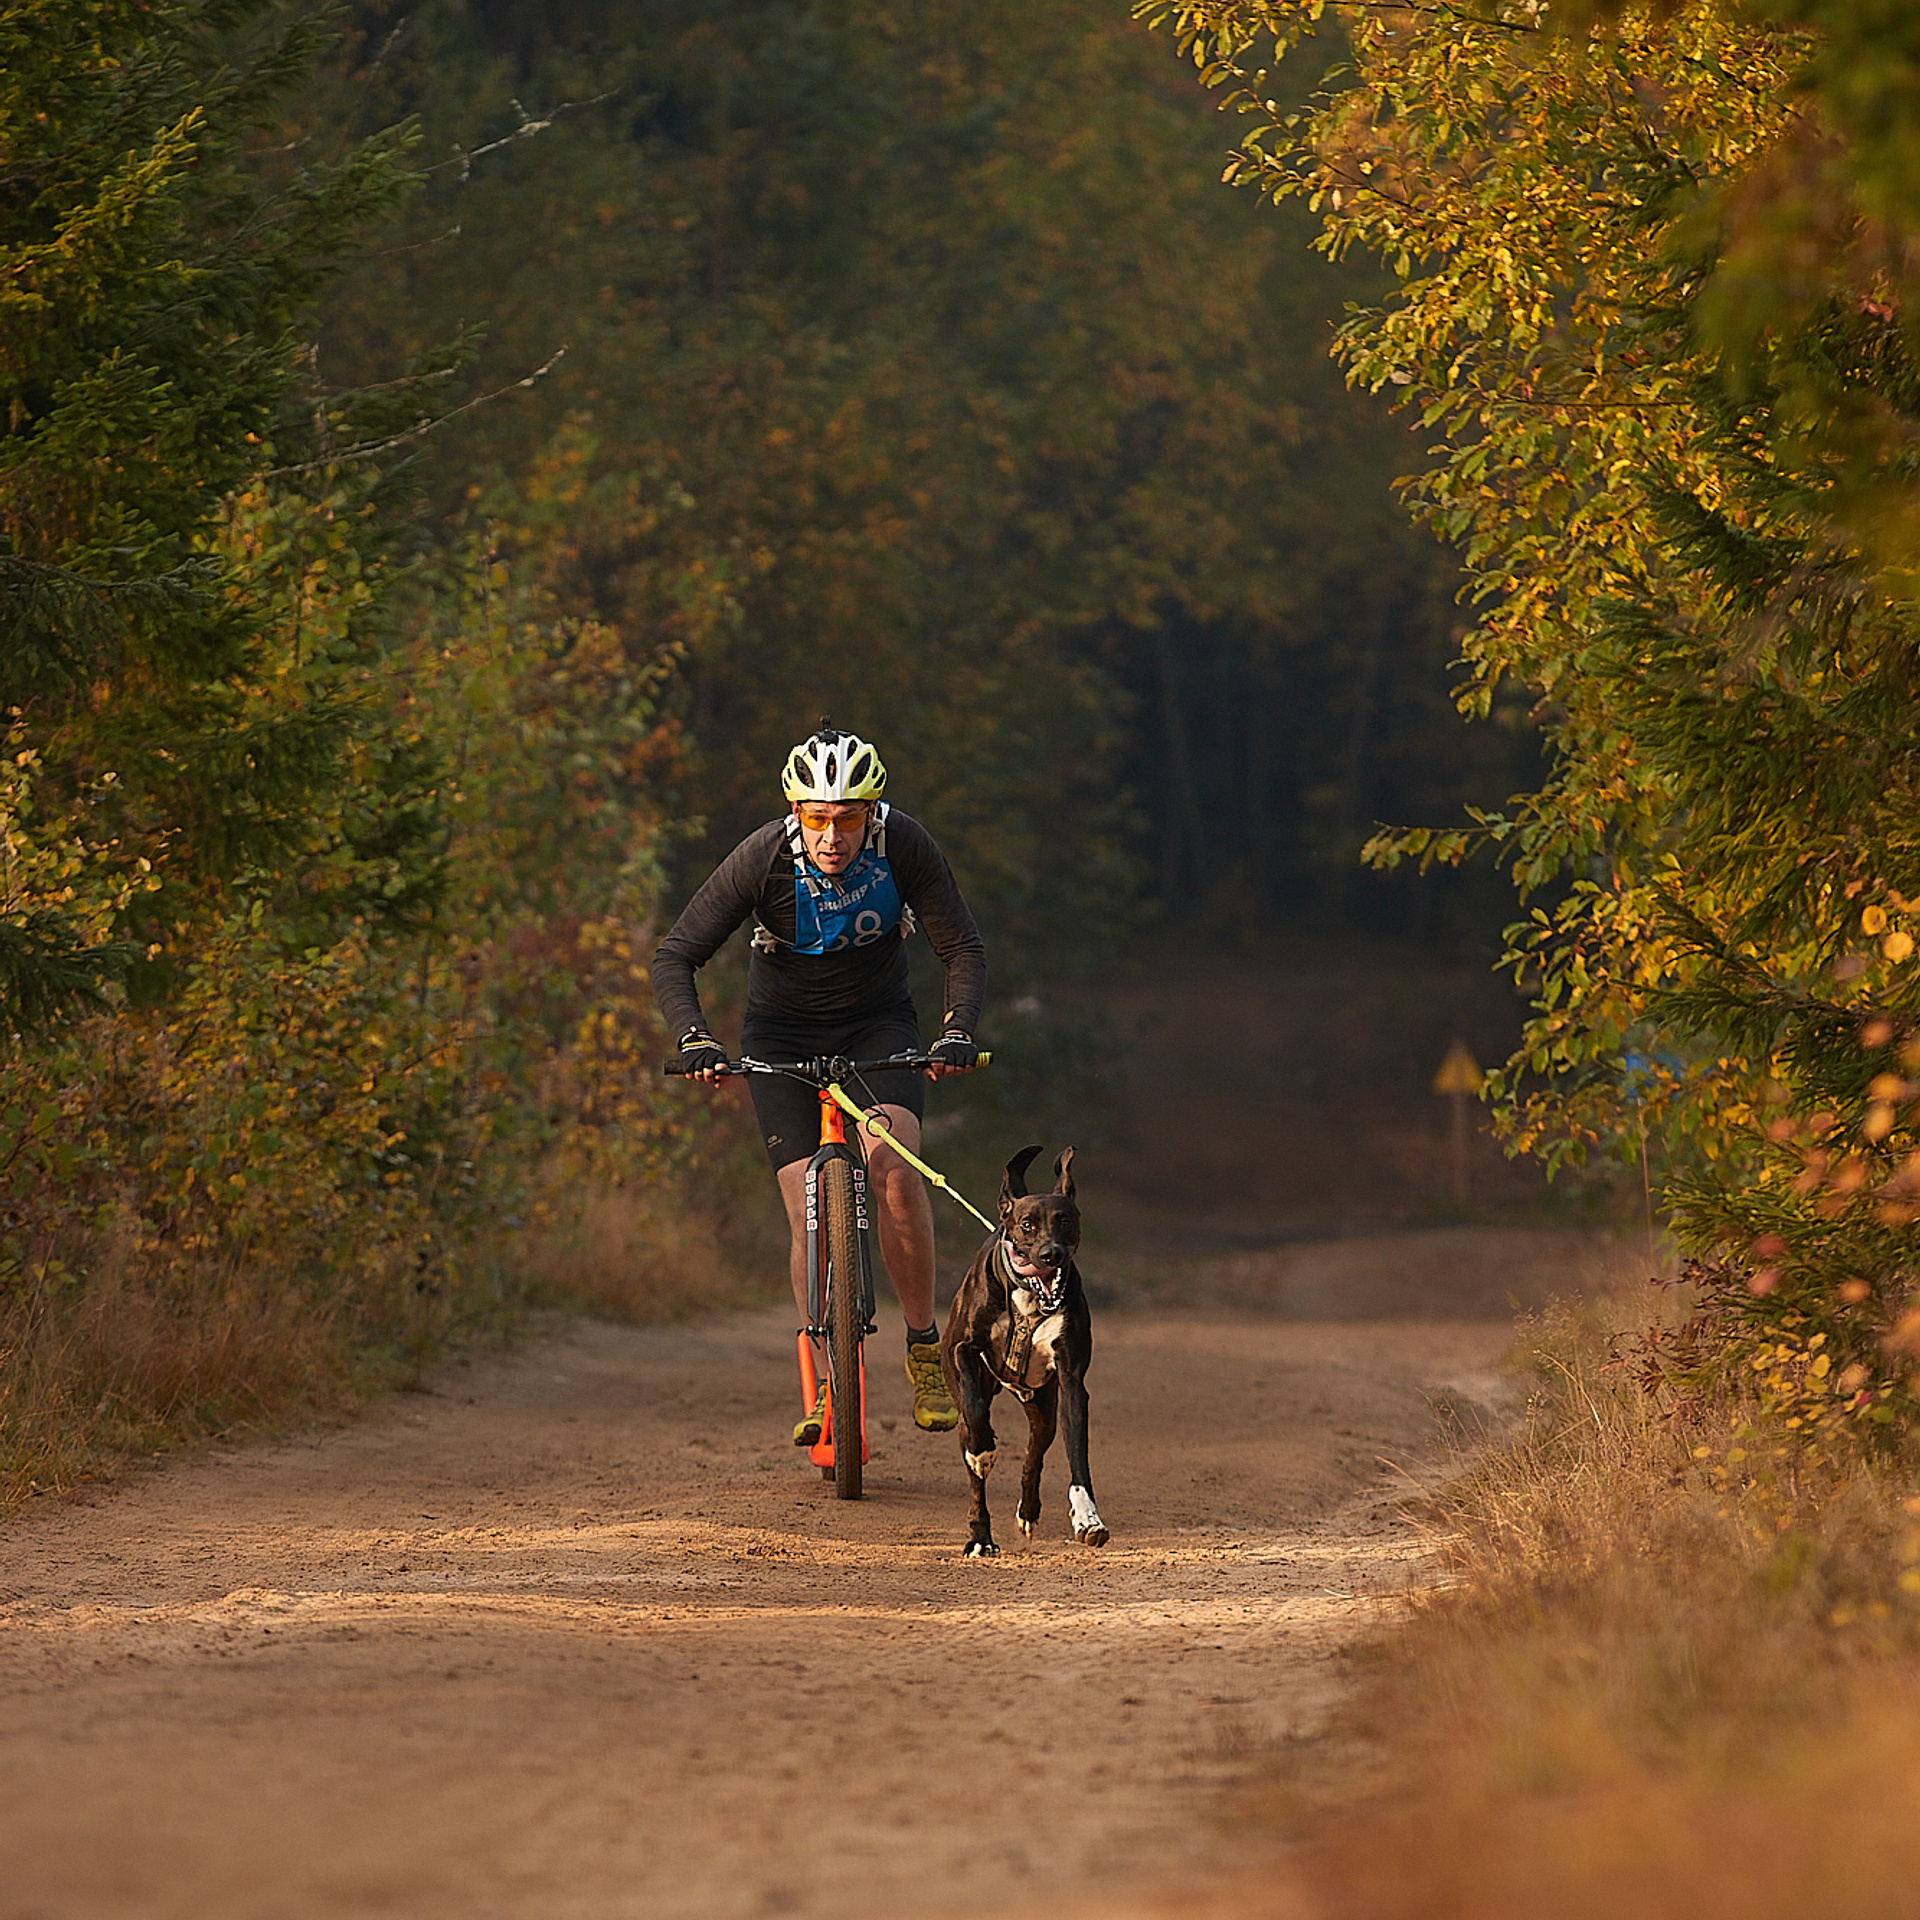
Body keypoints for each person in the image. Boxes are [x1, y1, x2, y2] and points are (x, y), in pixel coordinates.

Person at [653, 720, 986, 1442]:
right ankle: (831, 1378)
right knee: (810, 1207)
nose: (832, 835)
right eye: (817, 818)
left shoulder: (906, 846)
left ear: (872, 814)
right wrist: (697, 1039)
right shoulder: (762, 859)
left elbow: (960, 945)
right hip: (781, 1036)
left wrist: (956, 1030)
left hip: (877, 1029)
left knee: (894, 1167)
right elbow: (676, 955)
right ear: (796, 813)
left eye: (847, 818)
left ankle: (925, 1346)